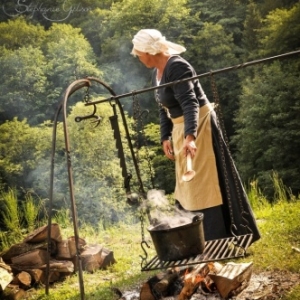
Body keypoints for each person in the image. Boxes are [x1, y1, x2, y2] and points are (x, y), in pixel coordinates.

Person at [131, 29, 260, 243]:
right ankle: (195, 237)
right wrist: (165, 136)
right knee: (188, 186)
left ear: (148, 52)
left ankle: (218, 237)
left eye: (139, 53)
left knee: (205, 183)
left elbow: (190, 103)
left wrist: (191, 137)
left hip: (199, 124)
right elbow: (165, 106)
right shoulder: (157, 71)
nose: (138, 57)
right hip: (180, 127)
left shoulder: (177, 66)